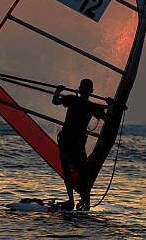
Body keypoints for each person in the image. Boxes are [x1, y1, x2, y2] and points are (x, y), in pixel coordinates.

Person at [51, 78, 115, 211]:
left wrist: (57, 91)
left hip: (69, 141)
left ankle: (72, 201)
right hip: (75, 142)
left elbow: (55, 101)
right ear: (91, 91)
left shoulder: (73, 99)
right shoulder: (90, 106)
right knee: (82, 173)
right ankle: (85, 202)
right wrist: (111, 106)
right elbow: (107, 119)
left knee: (68, 171)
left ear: (80, 89)